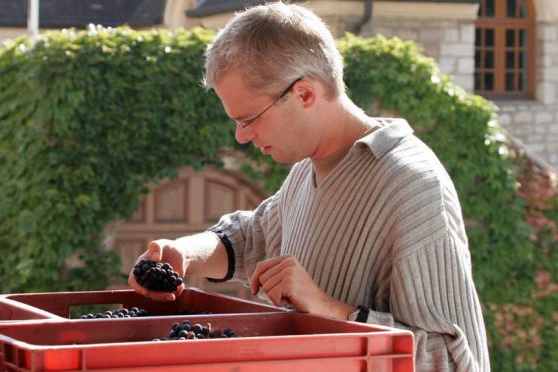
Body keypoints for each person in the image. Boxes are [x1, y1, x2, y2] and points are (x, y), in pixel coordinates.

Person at [128, 2, 489, 371]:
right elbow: (253, 237)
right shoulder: (309, 168)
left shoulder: (411, 185)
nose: (241, 136)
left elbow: (453, 360)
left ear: (304, 94)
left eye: (249, 119)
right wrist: (185, 253)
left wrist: (326, 308)